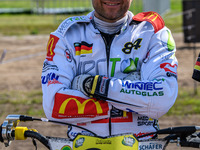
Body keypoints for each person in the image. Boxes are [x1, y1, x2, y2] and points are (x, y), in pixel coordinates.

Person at [41, 0, 178, 140]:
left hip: (142, 144)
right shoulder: (67, 34)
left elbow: (163, 98)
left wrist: (92, 86)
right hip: (85, 145)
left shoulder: (153, 32)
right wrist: (132, 97)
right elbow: (53, 106)